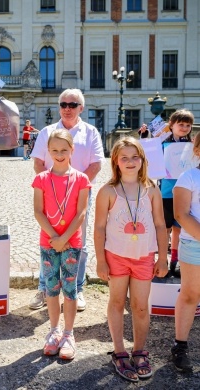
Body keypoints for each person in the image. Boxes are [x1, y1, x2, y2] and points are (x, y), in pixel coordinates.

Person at [94, 136, 168, 382]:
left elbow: (160, 224)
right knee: (116, 302)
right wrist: (101, 260)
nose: (130, 162)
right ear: (115, 160)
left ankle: (139, 350)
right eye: (124, 157)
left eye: (134, 157)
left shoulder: (151, 190)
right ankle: (119, 351)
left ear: (142, 160)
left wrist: (163, 257)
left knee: (140, 306)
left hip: (144, 256)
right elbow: (100, 228)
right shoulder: (108, 191)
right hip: (116, 256)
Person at [29, 88, 104, 311]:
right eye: (64, 104)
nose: (68, 109)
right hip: (51, 194)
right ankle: (44, 288)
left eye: (73, 105)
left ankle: (77, 289)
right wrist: (51, 188)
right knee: (48, 239)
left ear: (81, 108)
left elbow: (96, 165)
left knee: (78, 240)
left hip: (80, 193)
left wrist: (76, 187)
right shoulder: (47, 132)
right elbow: (38, 163)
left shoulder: (91, 132)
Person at [33, 129, 91, 360]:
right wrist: (53, 237)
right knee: (51, 287)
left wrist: (64, 239)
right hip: (48, 242)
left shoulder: (82, 179)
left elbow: (81, 213)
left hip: (72, 242)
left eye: (63, 150)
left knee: (70, 289)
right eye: (55, 150)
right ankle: (54, 330)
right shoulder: (41, 179)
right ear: (48, 151)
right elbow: (38, 211)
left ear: (72, 150)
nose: (59, 154)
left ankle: (68, 333)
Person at [139, 109, 194, 278]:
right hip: (165, 192)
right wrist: (144, 135)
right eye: (181, 124)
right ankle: (160, 258)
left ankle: (175, 260)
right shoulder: (162, 140)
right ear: (172, 125)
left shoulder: (192, 145)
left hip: (185, 191)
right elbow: (147, 150)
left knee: (179, 227)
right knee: (164, 226)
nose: (184, 128)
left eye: (187, 125)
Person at [171, 131, 200, 372]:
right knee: (190, 294)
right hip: (195, 244)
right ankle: (180, 345)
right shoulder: (188, 177)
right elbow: (181, 214)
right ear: (198, 151)